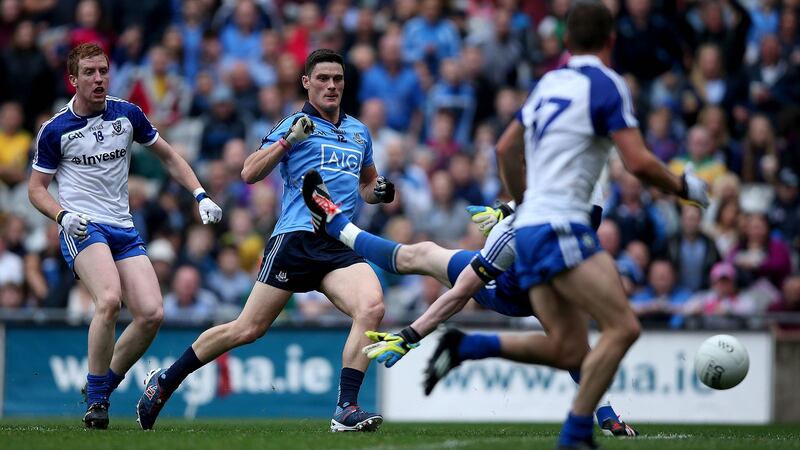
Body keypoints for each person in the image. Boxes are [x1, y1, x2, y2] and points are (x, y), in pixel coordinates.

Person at [478, 3, 708, 449]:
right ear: (611, 40)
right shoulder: (606, 84)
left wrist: (522, 199)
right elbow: (638, 162)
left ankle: (579, 424)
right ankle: (576, 429)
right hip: (564, 223)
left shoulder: (548, 81)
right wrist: (685, 186)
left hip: (530, 226)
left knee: (569, 338)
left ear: (566, 41)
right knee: (620, 327)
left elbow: (505, 148)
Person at [136, 49, 395, 433]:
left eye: (337, 79)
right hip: (296, 239)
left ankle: (345, 408)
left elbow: (367, 185)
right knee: (247, 329)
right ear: (306, 82)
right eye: (323, 78)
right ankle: (166, 380)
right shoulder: (295, 122)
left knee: (372, 308)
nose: (332, 86)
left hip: (338, 242)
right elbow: (248, 172)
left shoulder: (359, 132)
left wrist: (381, 191)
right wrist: (288, 141)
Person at [302, 169, 638, 437]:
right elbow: (461, 293)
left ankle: (605, 416)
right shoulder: (513, 237)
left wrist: (503, 209)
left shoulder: (579, 210)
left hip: (546, 285)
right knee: (416, 255)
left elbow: (550, 194)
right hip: (503, 287)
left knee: (578, 344)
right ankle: (338, 225)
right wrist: (411, 335)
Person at [27, 43, 222, 429]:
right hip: (83, 226)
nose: (98, 78)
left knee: (152, 313)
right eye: (89, 73)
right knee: (110, 300)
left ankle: (100, 386)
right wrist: (62, 215)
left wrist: (200, 193)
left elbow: (168, 155)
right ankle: (97, 402)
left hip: (123, 227)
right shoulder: (56, 130)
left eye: (103, 70)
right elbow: (36, 189)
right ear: (73, 80)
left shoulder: (127, 114)